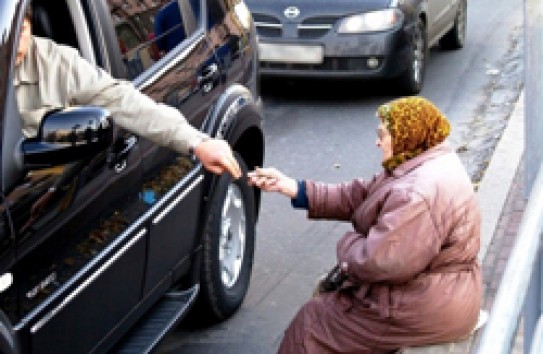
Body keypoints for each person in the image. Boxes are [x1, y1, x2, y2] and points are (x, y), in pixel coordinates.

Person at [248, 96, 482, 353]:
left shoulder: (416, 193)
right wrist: (294, 188)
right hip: (438, 293)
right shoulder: (424, 160)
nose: (377, 141)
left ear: (406, 134)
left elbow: (381, 262)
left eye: (382, 134)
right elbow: (361, 194)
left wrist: (349, 242)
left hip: (423, 306)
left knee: (312, 325)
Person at [15, 5, 241, 179]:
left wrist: (196, 141)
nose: (14, 43)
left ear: (31, 23)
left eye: (21, 31)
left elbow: (121, 100)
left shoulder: (56, 62)